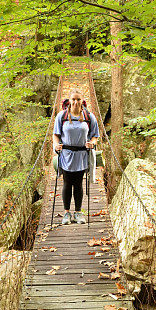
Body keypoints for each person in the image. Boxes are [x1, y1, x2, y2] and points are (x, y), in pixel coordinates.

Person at [53, 90, 99, 224]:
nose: (76, 102)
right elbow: (55, 134)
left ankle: (78, 213)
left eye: (78, 99)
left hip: (81, 155)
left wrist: (92, 143)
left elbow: (95, 135)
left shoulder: (89, 116)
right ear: (69, 100)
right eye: (73, 99)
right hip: (66, 155)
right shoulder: (61, 116)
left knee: (78, 184)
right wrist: (56, 145)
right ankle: (67, 213)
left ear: (82, 101)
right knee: (67, 183)